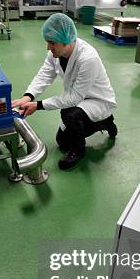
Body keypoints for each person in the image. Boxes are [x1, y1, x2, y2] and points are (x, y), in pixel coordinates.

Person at [12, 13, 117, 170]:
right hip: (79, 99)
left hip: (97, 100)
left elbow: (74, 98)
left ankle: (79, 150)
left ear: (66, 40)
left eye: (52, 43)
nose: (48, 47)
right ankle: (102, 123)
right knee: (62, 141)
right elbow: (44, 75)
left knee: (69, 114)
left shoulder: (88, 58)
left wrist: (38, 105)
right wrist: (28, 96)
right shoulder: (56, 53)